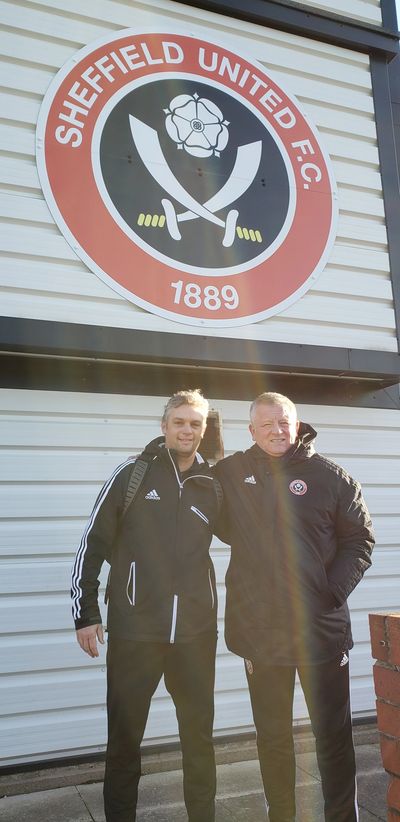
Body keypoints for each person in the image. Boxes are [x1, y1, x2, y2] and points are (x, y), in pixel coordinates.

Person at [214, 392, 374, 822]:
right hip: (259, 633)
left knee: (333, 737)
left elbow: (360, 541)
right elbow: (207, 514)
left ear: (298, 424)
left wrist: (330, 592)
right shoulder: (231, 472)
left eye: (284, 422)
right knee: (273, 738)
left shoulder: (332, 477)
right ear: (251, 430)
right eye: (266, 424)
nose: (276, 430)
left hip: (320, 632)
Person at [71, 389, 222, 822]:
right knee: (124, 741)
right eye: (180, 421)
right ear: (164, 426)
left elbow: (253, 539)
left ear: (204, 429)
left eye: (196, 423)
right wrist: (86, 613)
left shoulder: (212, 484)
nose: (188, 430)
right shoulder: (132, 475)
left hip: (195, 635)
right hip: (136, 631)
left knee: (199, 741)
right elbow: (92, 545)